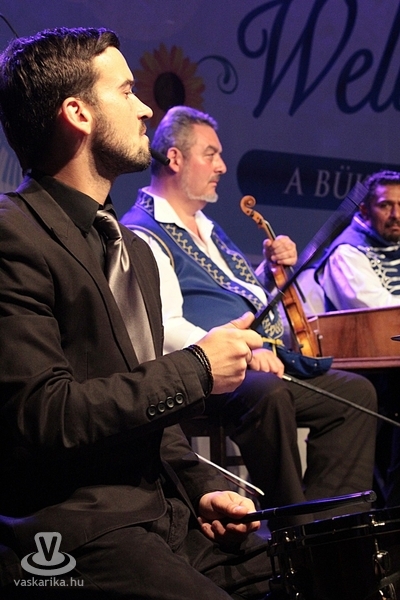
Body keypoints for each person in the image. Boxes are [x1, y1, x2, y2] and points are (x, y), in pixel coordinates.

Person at [0, 27, 278, 599]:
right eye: (126, 92)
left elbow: (149, 418)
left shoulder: (136, 253)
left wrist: (199, 487)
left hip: (167, 514)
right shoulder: (13, 235)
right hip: (73, 532)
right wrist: (198, 367)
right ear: (78, 113)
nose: (146, 108)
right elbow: (42, 415)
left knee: (309, 568)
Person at [121, 105, 378, 525]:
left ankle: (331, 525)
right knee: (268, 394)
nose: (222, 166)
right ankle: (293, 528)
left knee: (356, 395)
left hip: (257, 362)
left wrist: (269, 274)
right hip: (204, 373)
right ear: (175, 158)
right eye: (211, 154)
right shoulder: (144, 233)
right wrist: (239, 351)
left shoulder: (206, 227)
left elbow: (231, 295)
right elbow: (164, 327)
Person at [316, 170, 400, 507]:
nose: (396, 215)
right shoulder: (347, 253)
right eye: (386, 205)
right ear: (364, 210)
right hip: (371, 369)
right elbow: (379, 313)